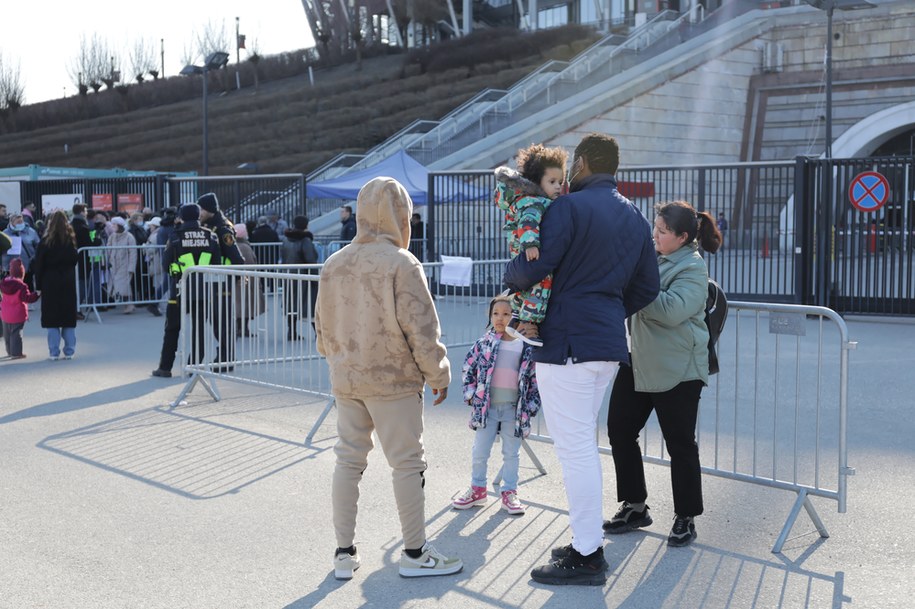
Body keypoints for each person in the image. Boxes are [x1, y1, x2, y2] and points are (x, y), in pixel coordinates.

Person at [504, 132, 660, 586]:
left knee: (576, 451)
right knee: (582, 446)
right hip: (604, 345)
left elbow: (535, 265)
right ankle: (585, 542)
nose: (569, 170)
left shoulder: (568, 208)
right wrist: (609, 312)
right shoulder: (633, 216)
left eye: (574, 162)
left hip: (568, 343)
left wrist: (509, 274)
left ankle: (588, 553)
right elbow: (647, 287)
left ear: (587, 163)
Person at [315, 176, 461, 580]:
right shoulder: (401, 263)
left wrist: (339, 358)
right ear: (400, 216)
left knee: (348, 460)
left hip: (348, 378)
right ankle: (414, 554)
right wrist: (438, 373)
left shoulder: (334, 262)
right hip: (393, 379)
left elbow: (322, 329)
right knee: (407, 464)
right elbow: (422, 328)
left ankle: (343, 553)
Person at [605, 200, 722, 548]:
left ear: (683, 237)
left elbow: (671, 311)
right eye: (654, 228)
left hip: (678, 368)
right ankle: (635, 505)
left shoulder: (692, 267)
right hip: (639, 359)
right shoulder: (652, 257)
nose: (654, 234)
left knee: (680, 444)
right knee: (619, 430)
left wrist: (635, 286)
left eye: (662, 231)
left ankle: (686, 517)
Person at [453, 295, 540, 515]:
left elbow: (535, 379)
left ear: (516, 317)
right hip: (486, 409)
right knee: (480, 452)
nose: (500, 318)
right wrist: (472, 395)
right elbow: (468, 368)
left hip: (514, 409)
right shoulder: (484, 343)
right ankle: (477, 489)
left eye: (506, 314)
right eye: (495, 313)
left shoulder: (525, 347)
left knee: (511, 453)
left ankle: (509, 492)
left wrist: (530, 406)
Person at [493, 143, 567, 347]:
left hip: (523, 254)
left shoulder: (535, 199)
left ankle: (517, 318)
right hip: (529, 252)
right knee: (541, 286)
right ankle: (528, 325)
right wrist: (531, 244)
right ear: (536, 182)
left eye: (560, 181)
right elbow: (528, 222)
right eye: (552, 181)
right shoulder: (533, 201)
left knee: (527, 289)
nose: (558, 186)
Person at [151, 204, 222, 378]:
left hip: (179, 290)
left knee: (172, 329)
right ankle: (194, 366)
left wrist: (179, 272)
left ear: (182, 216)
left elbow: (167, 265)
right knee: (200, 329)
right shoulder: (211, 236)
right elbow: (217, 263)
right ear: (198, 215)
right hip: (203, 290)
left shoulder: (175, 237)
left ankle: (165, 368)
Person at [196, 193, 244, 370]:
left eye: (201, 208)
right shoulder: (209, 226)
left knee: (223, 321)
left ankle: (226, 358)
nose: (199, 212)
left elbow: (237, 258)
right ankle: (223, 355)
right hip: (213, 280)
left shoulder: (223, 229)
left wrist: (237, 278)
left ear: (209, 209)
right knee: (215, 320)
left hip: (223, 281)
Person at [32, 210, 80, 360]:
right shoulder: (70, 240)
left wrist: (38, 285)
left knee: (51, 319)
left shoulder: (45, 241)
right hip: (67, 280)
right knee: (68, 318)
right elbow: (74, 259)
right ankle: (69, 351)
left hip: (50, 281)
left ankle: (54, 352)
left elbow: (39, 265)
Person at [280, 215, 319, 340]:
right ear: (306, 225)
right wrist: (315, 279)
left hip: (289, 276)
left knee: (291, 305)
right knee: (311, 304)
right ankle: (318, 333)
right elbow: (311, 260)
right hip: (304, 278)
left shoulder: (286, 240)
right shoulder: (305, 241)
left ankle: (291, 331)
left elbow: (284, 258)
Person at [1, 258, 40, 359]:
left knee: (7, 334)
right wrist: (36, 295)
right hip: (18, 314)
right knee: (16, 333)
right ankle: (16, 353)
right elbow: (27, 298)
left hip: (5, 313)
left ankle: (9, 351)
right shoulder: (21, 286)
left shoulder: (4, 282)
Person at [232, 222, 263, 337]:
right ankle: (243, 328)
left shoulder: (233, 245)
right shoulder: (245, 247)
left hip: (237, 280)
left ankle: (239, 328)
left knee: (238, 305)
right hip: (245, 280)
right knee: (245, 305)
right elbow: (250, 263)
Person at [107, 216, 137, 314]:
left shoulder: (129, 237)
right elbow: (108, 249)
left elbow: (133, 253)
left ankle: (129, 304)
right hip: (114, 265)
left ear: (119, 225)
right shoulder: (112, 236)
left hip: (125, 265)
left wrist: (131, 267)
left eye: (114, 224)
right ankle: (128, 304)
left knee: (123, 285)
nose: (113, 226)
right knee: (120, 286)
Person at [3, 214, 40, 289]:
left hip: (27, 268)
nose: (20, 224)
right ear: (12, 223)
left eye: (21, 221)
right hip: (10, 269)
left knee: (27, 290)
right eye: (18, 222)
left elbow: (38, 246)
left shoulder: (31, 232)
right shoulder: (5, 233)